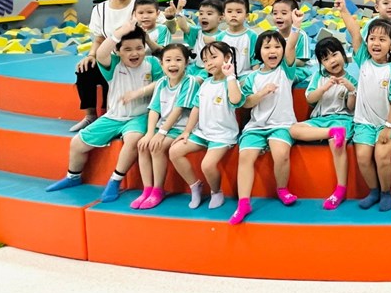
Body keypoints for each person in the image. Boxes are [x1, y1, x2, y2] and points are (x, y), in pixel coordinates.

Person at [47, 19, 163, 202]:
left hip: (140, 116)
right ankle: (73, 177)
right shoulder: (113, 64)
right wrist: (120, 32)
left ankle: (115, 181)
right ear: (117, 51)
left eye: (139, 48)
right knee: (77, 143)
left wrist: (139, 93)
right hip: (113, 117)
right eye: (127, 49)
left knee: (133, 140)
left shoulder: (152, 63)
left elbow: (161, 83)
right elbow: (101, 52)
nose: (134, 53)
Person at [336, 0, 391, 212]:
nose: (376, 43)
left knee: (381, 156)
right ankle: (374, 190)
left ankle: (386, 192)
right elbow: (354, 33)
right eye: (372, 38)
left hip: (390, 124)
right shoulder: (363, 60)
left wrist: (388, 127)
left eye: (382, 39)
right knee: (362, 157)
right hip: (365, 123)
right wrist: (343, 11)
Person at [230, 21, 303, 225]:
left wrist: (296, 26)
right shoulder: (252, 78)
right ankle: (244, 203)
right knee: (245, 158)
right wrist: (262, 93)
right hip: (256, 126)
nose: (273, 51)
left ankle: (282, 189)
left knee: (281, 154)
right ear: (259, 52)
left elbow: (291, 46)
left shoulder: (286, 70)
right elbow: (246, 103)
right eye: (267, 47)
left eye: (277, 46)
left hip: (282, 124)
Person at [169, 42, 244, 209]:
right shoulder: (205, 83)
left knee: (207, 165)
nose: (209, 62)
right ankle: (195, 186)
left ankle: (216, 192)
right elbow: (196, 108)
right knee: (174, 151)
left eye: (213, 57)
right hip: (202, 133)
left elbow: (236, 100)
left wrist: (231, 76)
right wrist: (187, 131)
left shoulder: (231, 82)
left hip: (223, 135)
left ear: (227, 58)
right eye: (205, 60)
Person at [129, 43, 200, 210]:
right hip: (164, 127)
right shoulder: (161, 82)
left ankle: (158, 190)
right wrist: (149, 133)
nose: (173, 64)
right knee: (142, 145)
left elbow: (178, 109)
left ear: (186, 62)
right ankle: (147, 189)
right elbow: (154, 109)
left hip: (181, 127)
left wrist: (161, 133)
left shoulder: (190, 82)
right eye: (168, 60)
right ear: (161, 64)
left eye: (178, 60)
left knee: (157, 147)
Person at [289, 37, 357, 210]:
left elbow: (351, 107)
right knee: (294, 130)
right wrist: (324, 87)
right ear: (321, 64)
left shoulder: (352, 80)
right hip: (320, 120)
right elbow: (310, 99)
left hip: (343, 119)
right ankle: (331, 132)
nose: (332, 61)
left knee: (336, 144)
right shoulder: (318, 77)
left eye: (335, 55)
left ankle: (340, 188)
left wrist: (351, 89)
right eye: (326, 59)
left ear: (343, 55)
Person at [72, 0, 138, 132]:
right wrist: (91, 55)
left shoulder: (139, 6)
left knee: (115, 76)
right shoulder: (100, 9)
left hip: (134, 59)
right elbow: (99, 39)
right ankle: (90, 116)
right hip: (108, 58)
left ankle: (111, 116)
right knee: (85, 69)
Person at [173, 0, 224, 80]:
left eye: (209, 14)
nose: (203, 16)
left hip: (211, 72)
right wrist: (179, 10)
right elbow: (183, 27)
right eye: (201, 13)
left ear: (220, 18)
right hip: (194, 69)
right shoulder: (197, 32)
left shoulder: (223, 36)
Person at [214, 0, 258, 75]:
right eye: (229, 11)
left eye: (238, 12)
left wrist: (255, 78)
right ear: (223, 15)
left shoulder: (252, 35)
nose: (233, 15)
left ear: (246, 16)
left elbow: (255, 61)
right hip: (226, 76)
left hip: (246, 75)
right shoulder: (220, 37)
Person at [271, 0, 311, 67]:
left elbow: (302, 62)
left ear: (295, 15)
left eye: (284, 13)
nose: (278, 16)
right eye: (275, 13)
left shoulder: (301, 35)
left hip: (296, 68)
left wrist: (282, 61)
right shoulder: (272, 34)